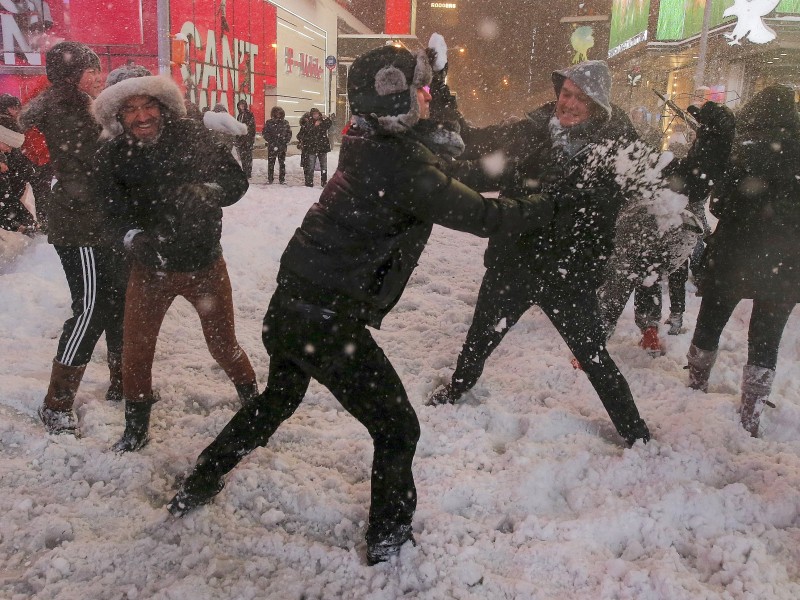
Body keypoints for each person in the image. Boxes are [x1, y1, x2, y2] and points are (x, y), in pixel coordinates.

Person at [165, 45, 555, 565]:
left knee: (278, 400)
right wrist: (550, 204)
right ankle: (388, 538)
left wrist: (437, 90)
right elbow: (485, 218)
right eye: (416, 90)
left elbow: (433, 150)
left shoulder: (366, 137)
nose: (423, 99)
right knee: (397, 427)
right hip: (325, 317)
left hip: (294, 300)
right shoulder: (405, 167)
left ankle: (200, 480)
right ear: (396, 100)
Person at [428, 60, 650, 448]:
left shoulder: (616, 153)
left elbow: (664, 184)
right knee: (480, 337)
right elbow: (474, 143)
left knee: (594, 355)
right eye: (566, 93)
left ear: (597, 105)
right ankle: (458, 388)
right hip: (515, 261)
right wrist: (442, 94)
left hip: (570, 275)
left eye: (581, 98)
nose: (569, 103)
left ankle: (634, 431)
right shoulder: (529, 134)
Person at [92, 75, 259, 452]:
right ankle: (136, 428)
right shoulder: (112, 155)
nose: (142, 115)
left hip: (204, 265)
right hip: (150, 269)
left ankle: (253, 401)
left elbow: (236, 184)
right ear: (119, 116)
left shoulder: (193, 137)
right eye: (131, 109)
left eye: (148, 105)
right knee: (136, 349)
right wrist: (133, 238)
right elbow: (107, 214)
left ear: (163, 106)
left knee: (223, 345)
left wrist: (207, 191)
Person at [20, 41, 127, 435]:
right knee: (93, 306)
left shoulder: (84, 105)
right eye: (90, 72)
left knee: (118, 300)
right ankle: (57, 403)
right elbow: (92, 163)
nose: (98, 78)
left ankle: (123, 379)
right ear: (70, 76)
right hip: (81, 223)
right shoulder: (66, 110)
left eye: (98, 71)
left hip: (103, 219)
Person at [686, 85, 800, 437]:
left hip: (735, 256)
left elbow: (718, 206)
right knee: (766, 340)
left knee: (710, 323)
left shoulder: (742, 149)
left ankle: (694, 385)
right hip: (785, 263)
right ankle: (750, 413)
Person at [0, 124, 36, 235]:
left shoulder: (3, 159)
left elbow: (6, 196)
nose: (9, 150)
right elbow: (4, 197)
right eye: (9, 145)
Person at [297, 107, 331, 187]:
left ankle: (324, 181)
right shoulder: (309, 123)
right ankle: (309, 182)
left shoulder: (322, 121)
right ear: (311, 115)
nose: (316, 115)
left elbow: (329, 124)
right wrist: (314, 126)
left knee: (324, 166)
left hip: (322, 147)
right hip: (312, 147)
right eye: (314, 114)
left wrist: (326, 118)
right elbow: (305, 132)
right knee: (311, 166)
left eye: (317, 113)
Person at [262, 105, 291, 184]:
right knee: (271, 163)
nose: (278, 114)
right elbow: (265, 133)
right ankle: (270, 178)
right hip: (272, 146)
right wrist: (271, 140)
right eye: (276, 112)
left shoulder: (285, 123)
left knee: (282, 163)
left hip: (282, 146)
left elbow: (289, 133)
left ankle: (282, 179)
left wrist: (285, 140)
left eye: (279, 113)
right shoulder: (269, 122)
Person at [235, 99, 256, 178]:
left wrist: (250, 137)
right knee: (243, 156)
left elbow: (252, 127)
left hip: (247, 139)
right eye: (240, 105)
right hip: (241, 139)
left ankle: (248, 172)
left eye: (243, 105)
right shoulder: (239, 115)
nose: (241, 107)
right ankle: (244, 171)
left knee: (248, 156)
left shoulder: (249, 114)